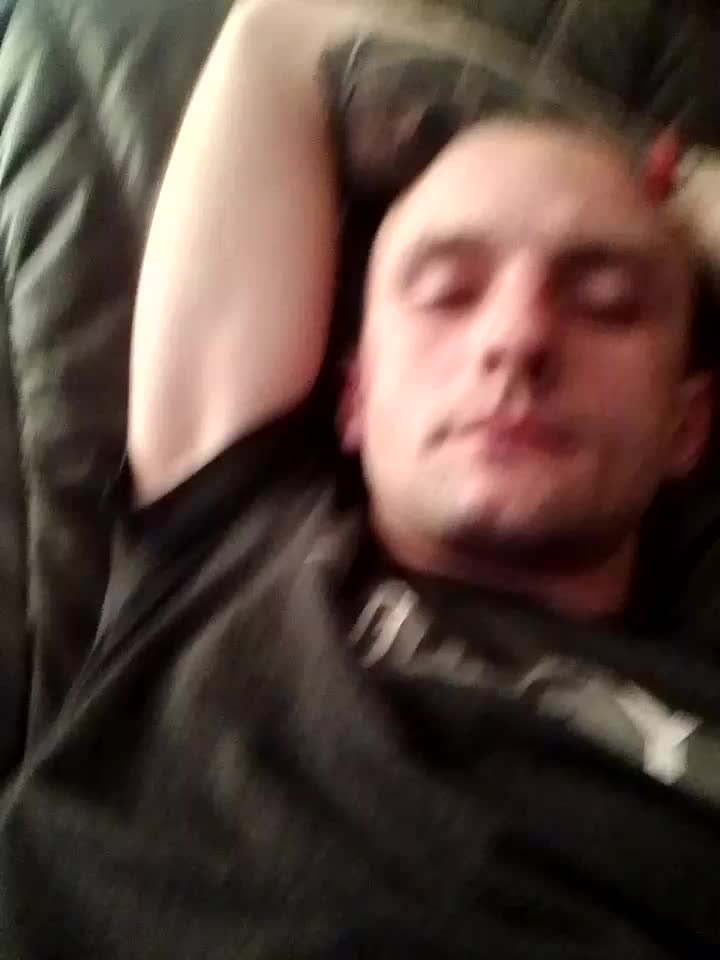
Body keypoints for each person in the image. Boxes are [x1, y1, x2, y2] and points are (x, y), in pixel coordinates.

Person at [1, 1, 719, 957]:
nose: (516, 338)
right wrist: (652, 163)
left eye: (608, 303)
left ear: (686, 426)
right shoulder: (225, 538)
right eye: (447, 293)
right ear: (355, 400)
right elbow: (280, 31)